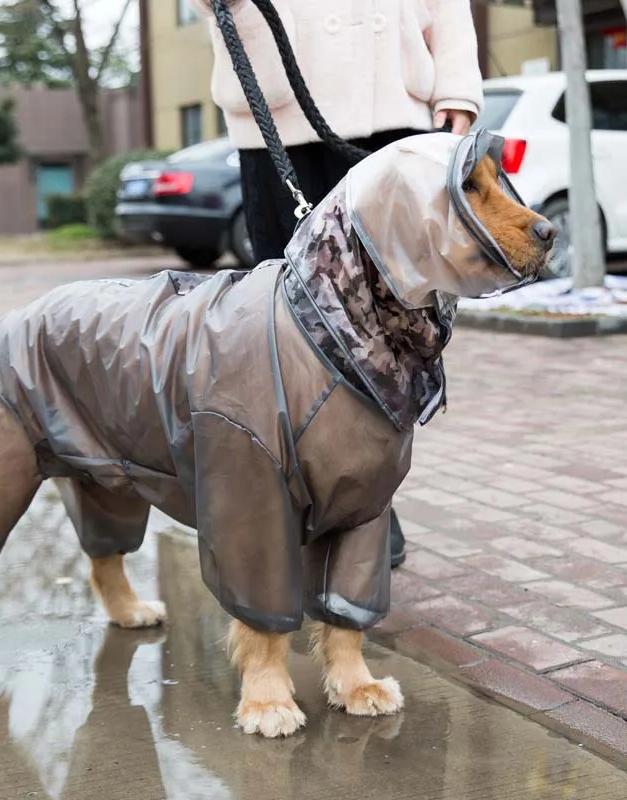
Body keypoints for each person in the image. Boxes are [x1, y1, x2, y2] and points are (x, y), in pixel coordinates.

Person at [190, 0, 484, 568]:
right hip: (278, 105)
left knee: (397, 318)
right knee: (288, 322)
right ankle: (290, 489)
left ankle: (366, 499)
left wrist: (457, 89)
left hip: (392, 103)